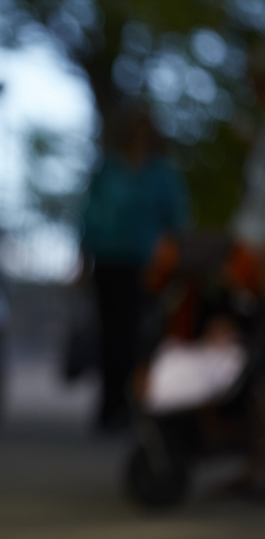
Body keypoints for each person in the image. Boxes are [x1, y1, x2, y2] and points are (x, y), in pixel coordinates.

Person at [81, 105, 190, 432]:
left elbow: (176, 225)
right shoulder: (109, 170)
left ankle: (133, 407)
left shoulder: (162, 175)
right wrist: (83, 257)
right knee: (109, 335)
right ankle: (109, 406)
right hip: (109, 263)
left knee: (136, 337)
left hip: (146, 269)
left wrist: (174, 264)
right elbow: (89, 216)